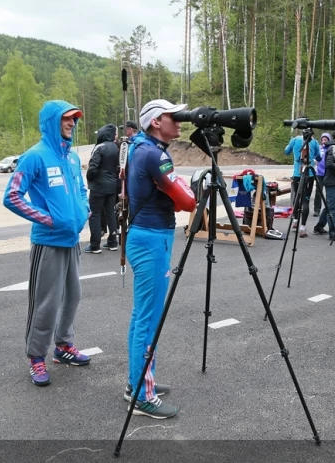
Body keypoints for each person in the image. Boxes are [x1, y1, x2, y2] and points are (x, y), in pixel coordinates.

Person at [3, 100, 91, 386]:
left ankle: (63, 347)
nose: (72, 124)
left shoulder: (73, 158)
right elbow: (12, 196)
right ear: (52, 122)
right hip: (48, 242)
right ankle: (36, 357)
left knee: (72, 297)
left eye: (75, 119)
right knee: (46, 304)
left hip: (72, 240)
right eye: (67, 119)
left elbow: (80, 188)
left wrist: (84, 209)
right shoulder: (35, 156)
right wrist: (49, 219)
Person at [123, 99, 196, 419]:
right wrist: (187, 188)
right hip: (152, 241)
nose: (180, 120)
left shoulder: (141, 147)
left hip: (146, 237)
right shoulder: (154, 154)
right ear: (155, 122)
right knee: (149, 320)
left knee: (143, 316)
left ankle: (136, 383)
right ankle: (142, 396)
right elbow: (187, 201)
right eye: (173, 116)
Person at [85, 124, 120, 253]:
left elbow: (92, 167)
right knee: (111, 213)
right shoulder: (117, 147)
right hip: (112, 186)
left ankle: (95, 245)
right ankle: (112, 242)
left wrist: (90, 178)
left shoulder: (100, 147)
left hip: (98, 186)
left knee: (95, 214)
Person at [284, 132, 321, 237]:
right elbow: (319, 158)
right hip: (309, 174)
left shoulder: (295, 140)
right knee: (306, 200)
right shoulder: (314, 142)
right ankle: (303, 228)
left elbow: (286, 151)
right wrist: (313, 157)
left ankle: (295, 222)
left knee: (297, 197)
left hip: (297, 174)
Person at [313, 133, 331, 217]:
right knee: (318, 192)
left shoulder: (331, 148)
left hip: (328, 173)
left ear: (329, 140)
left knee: (328, 192)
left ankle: (328, 209)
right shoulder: (319, 148)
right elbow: (314, 156)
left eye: (325, 140)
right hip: (319, 173)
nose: (323, 141)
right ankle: (317, 210)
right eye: (322, 139)